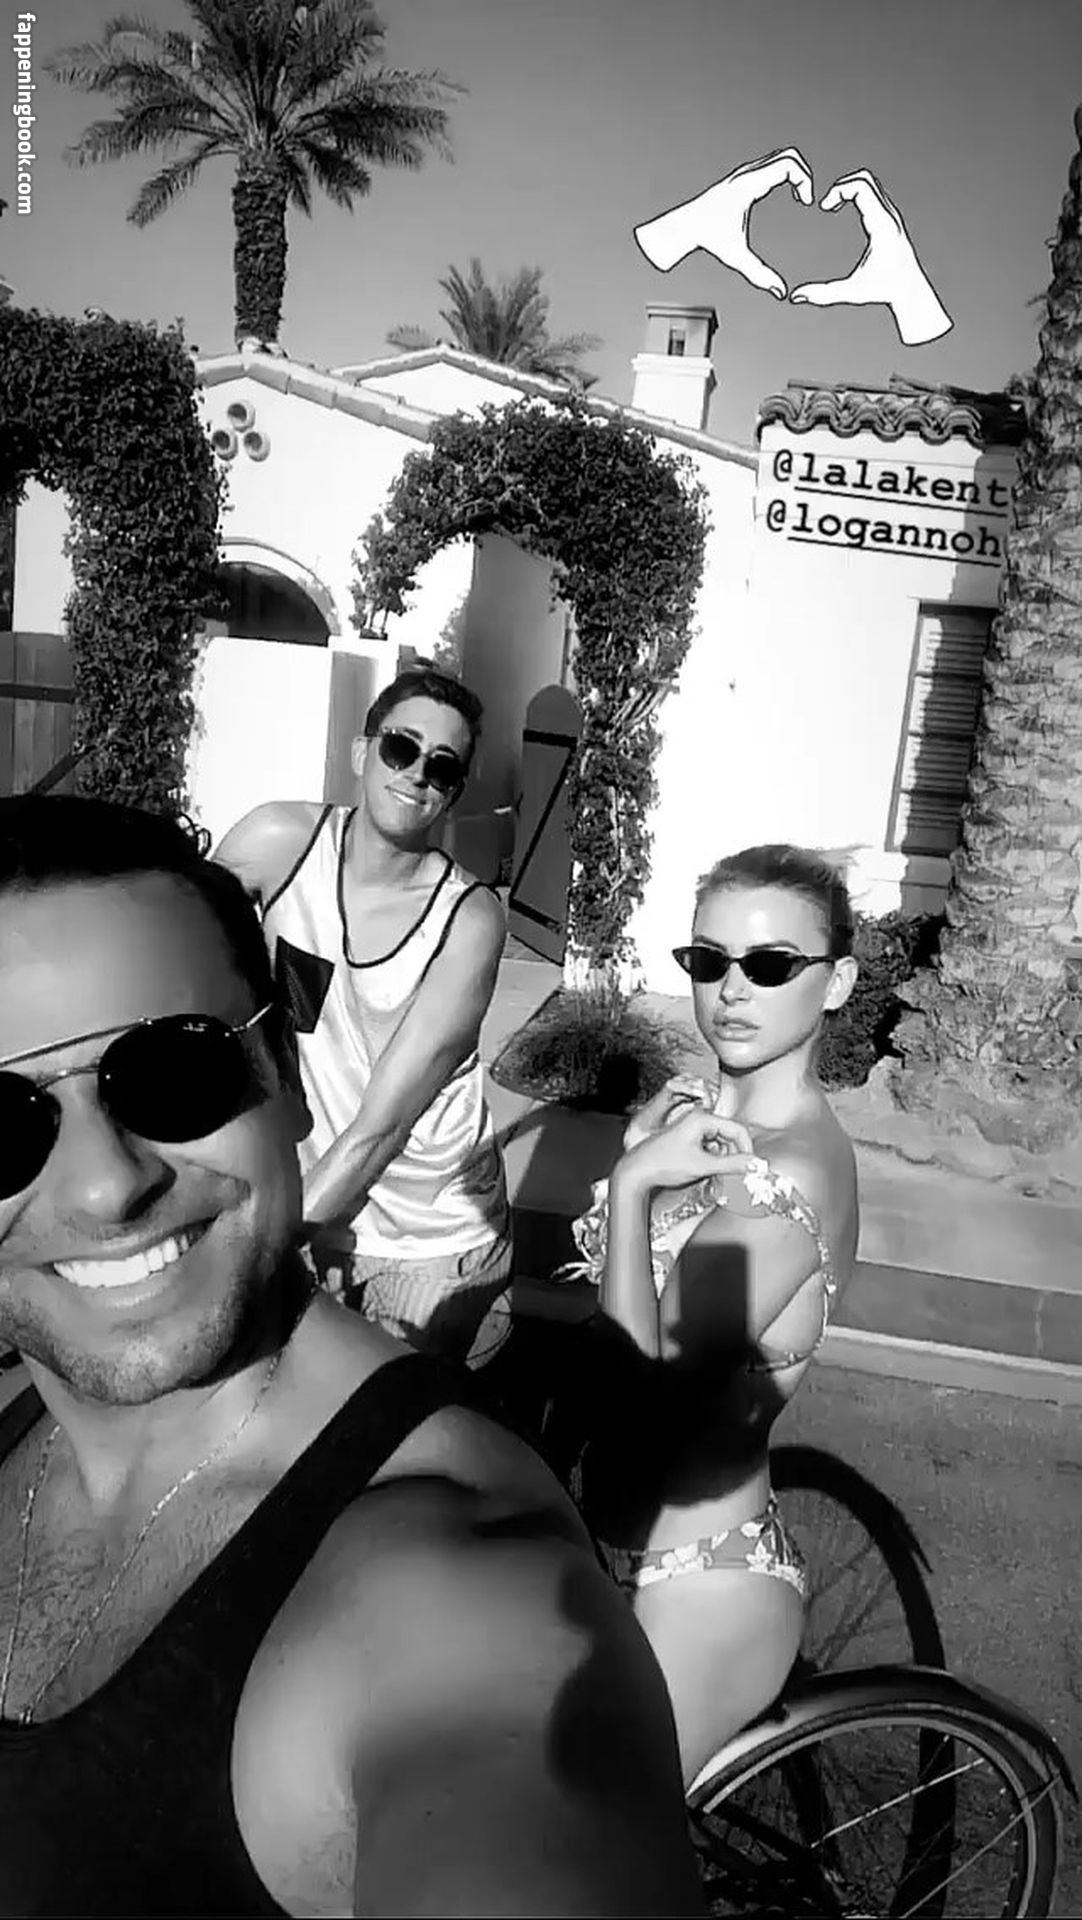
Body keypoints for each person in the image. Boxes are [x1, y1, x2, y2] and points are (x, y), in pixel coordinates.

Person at [0, 794, 704, 1919]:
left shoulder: (459, 1590)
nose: (104, 1184)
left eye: (174, 1072)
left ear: (284, 1073)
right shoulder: (27, 1424)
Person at [563, 845, 859, 1787]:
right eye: (708, 960)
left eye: (770, 965)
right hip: (601, 1539)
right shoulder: (700, 1120)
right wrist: (644, 1153)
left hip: (699, 1584)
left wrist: (632, 1182)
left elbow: (638, 1394)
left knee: (605, 1847)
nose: (732, 989)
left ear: (837, 982)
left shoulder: (788, 1175)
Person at [215, 665, 514, 1371]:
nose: (417, 775)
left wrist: (258, 1251)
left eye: (442, 766)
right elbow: (185, 959)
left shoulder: (466, 921)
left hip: (427, 1245)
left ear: (455, 791)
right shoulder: (279, 844)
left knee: (380, 1430)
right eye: (400, 748)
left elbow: (380, 1130)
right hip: (318, 1205)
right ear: (361, 751)